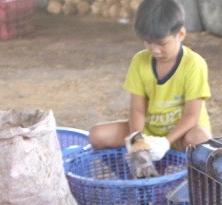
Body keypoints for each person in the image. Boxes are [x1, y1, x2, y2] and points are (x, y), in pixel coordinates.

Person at [89, 0, 211, 153]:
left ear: (180, 34)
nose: (155, 50)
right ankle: (133, 173)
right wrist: (137, 138)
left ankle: (190, 174)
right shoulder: (140, 61)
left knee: (200, 139)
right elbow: (137, 110)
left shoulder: (194, 64)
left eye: (162, 43)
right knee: (97, 135)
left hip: (183, 133)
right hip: (149, 131)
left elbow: (191, 115)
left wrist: (165, 143)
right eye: (148, 42)